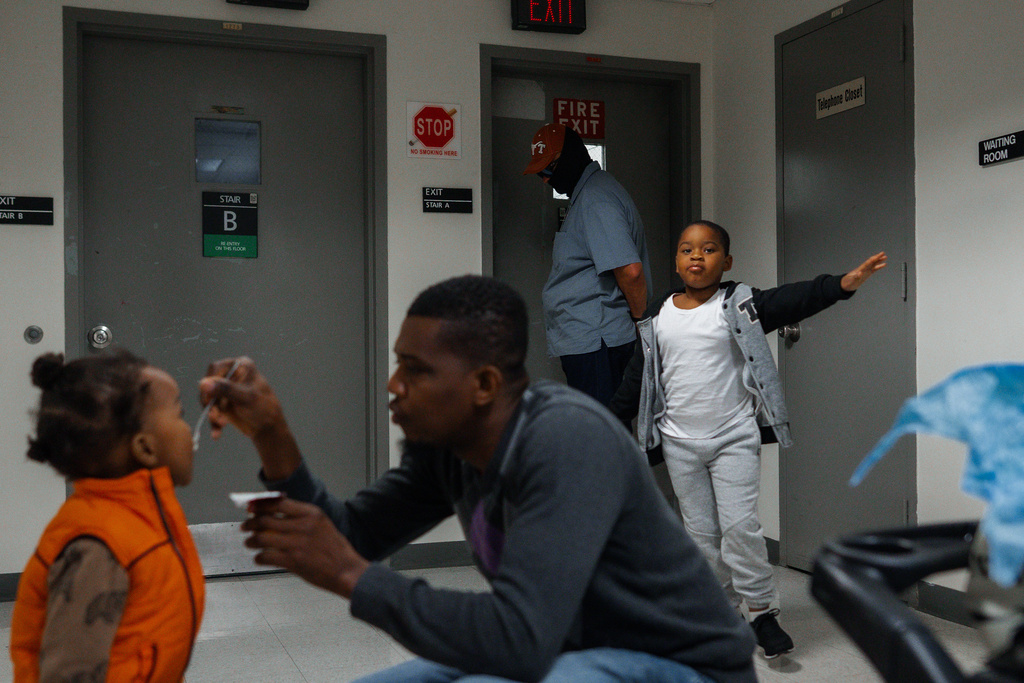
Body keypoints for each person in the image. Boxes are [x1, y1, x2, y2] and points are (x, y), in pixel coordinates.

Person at [199, 275, 757, 683]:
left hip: (683, 666)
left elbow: (519, 637)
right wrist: (271, 434)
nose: (394, 385)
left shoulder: (566, 438)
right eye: (399, 363)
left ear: (484, 385)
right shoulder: (450, 447)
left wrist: (351, 575)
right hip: (563, 649)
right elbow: (353, 536)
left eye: (415, 369)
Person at [610, 221, 887, 659]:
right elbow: (637, 375)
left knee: (740, 528)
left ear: (727, 261)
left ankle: (759, 612)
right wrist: (606, 417)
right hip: (678, 441)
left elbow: (792, 298)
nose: (696, 256)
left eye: (708, 249)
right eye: (686, 249)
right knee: (700, 535)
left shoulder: (739, 303)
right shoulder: (659, 311)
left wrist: (841, 285)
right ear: (676, 261)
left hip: (733, 437)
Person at [9, 350, 205, 682]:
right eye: (180, 414)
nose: (188, 429)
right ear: (145, 448)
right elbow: (68, 673)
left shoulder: (139, 519)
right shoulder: (99, 546)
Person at [523, 122, 651, 407]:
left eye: (547, 171)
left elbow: (630, 271)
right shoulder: (588, 195)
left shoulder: (595, 199)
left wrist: (641, 326)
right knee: (600, 423)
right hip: (593, 341)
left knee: (600, 426)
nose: (545, 180)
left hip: (598, 344)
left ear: (569, 158)